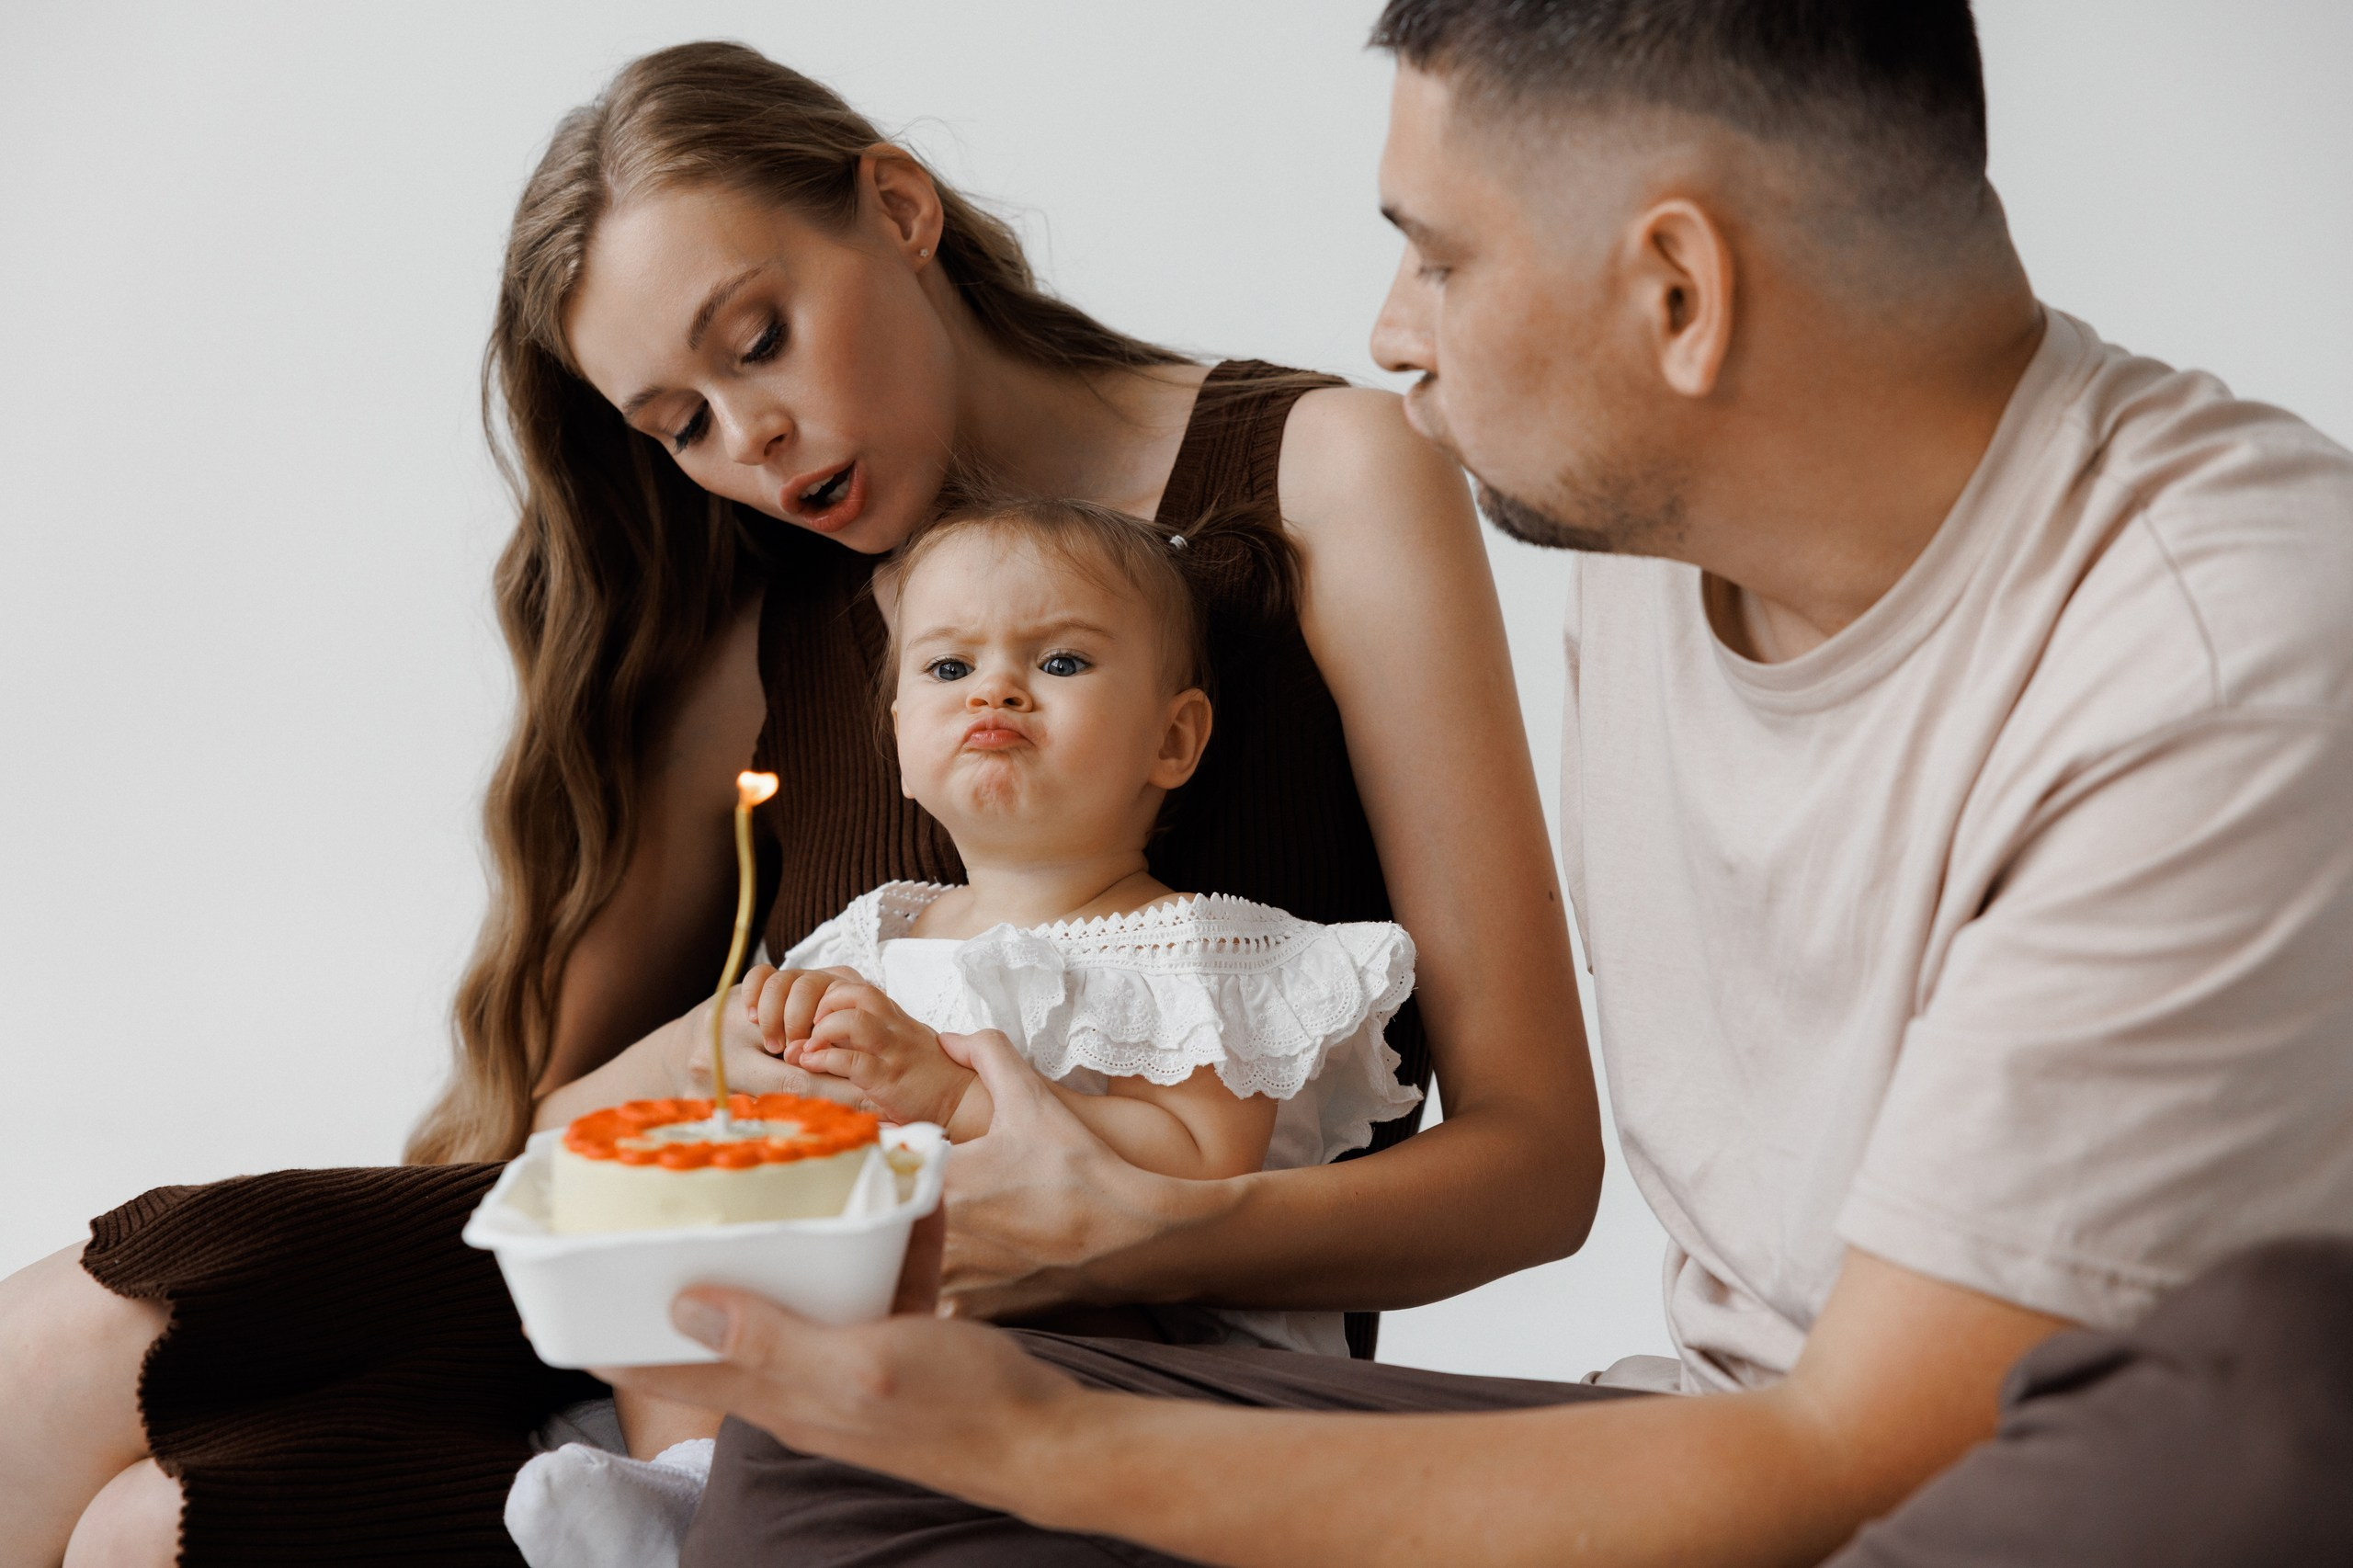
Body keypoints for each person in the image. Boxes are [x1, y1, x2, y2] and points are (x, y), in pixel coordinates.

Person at [590, 3, 2353, 1564]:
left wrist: (1048, 1442)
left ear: (1680, 292)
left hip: (1964, 1479)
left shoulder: (2220, 653)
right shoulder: (1661, 534)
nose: (1394, 332)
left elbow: (1857, 1456)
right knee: (821, 1460)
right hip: (1701, 1435)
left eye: (1437, 257)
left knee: (2285, 1390)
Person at [0, 40, 1599, 1568]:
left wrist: (1125, 1218)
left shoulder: (1323, 478)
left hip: (1094, 1375)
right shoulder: (742, 617)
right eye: (677, 423)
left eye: (757, 340)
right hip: (720, 1340)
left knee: (152, 1518)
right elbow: (570, 1135)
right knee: (92, 1382)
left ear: (898, 212)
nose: (748, 443)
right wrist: (728, 1070)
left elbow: (1538, 1171)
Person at [508, 496, 1426, 1566]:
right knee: (685, 1262)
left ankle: (744, 1503)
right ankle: (685, 1491)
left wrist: (955, 1100)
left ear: (1172, 738)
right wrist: (759, 1045)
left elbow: (1201, 1162)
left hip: (1114, 1323)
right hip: (867, 1300)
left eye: (1062, 662)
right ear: (900, 738)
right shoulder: (869, 937)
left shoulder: (1200, 950)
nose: (995, 688)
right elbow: (581, 1122)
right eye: (948, 670)